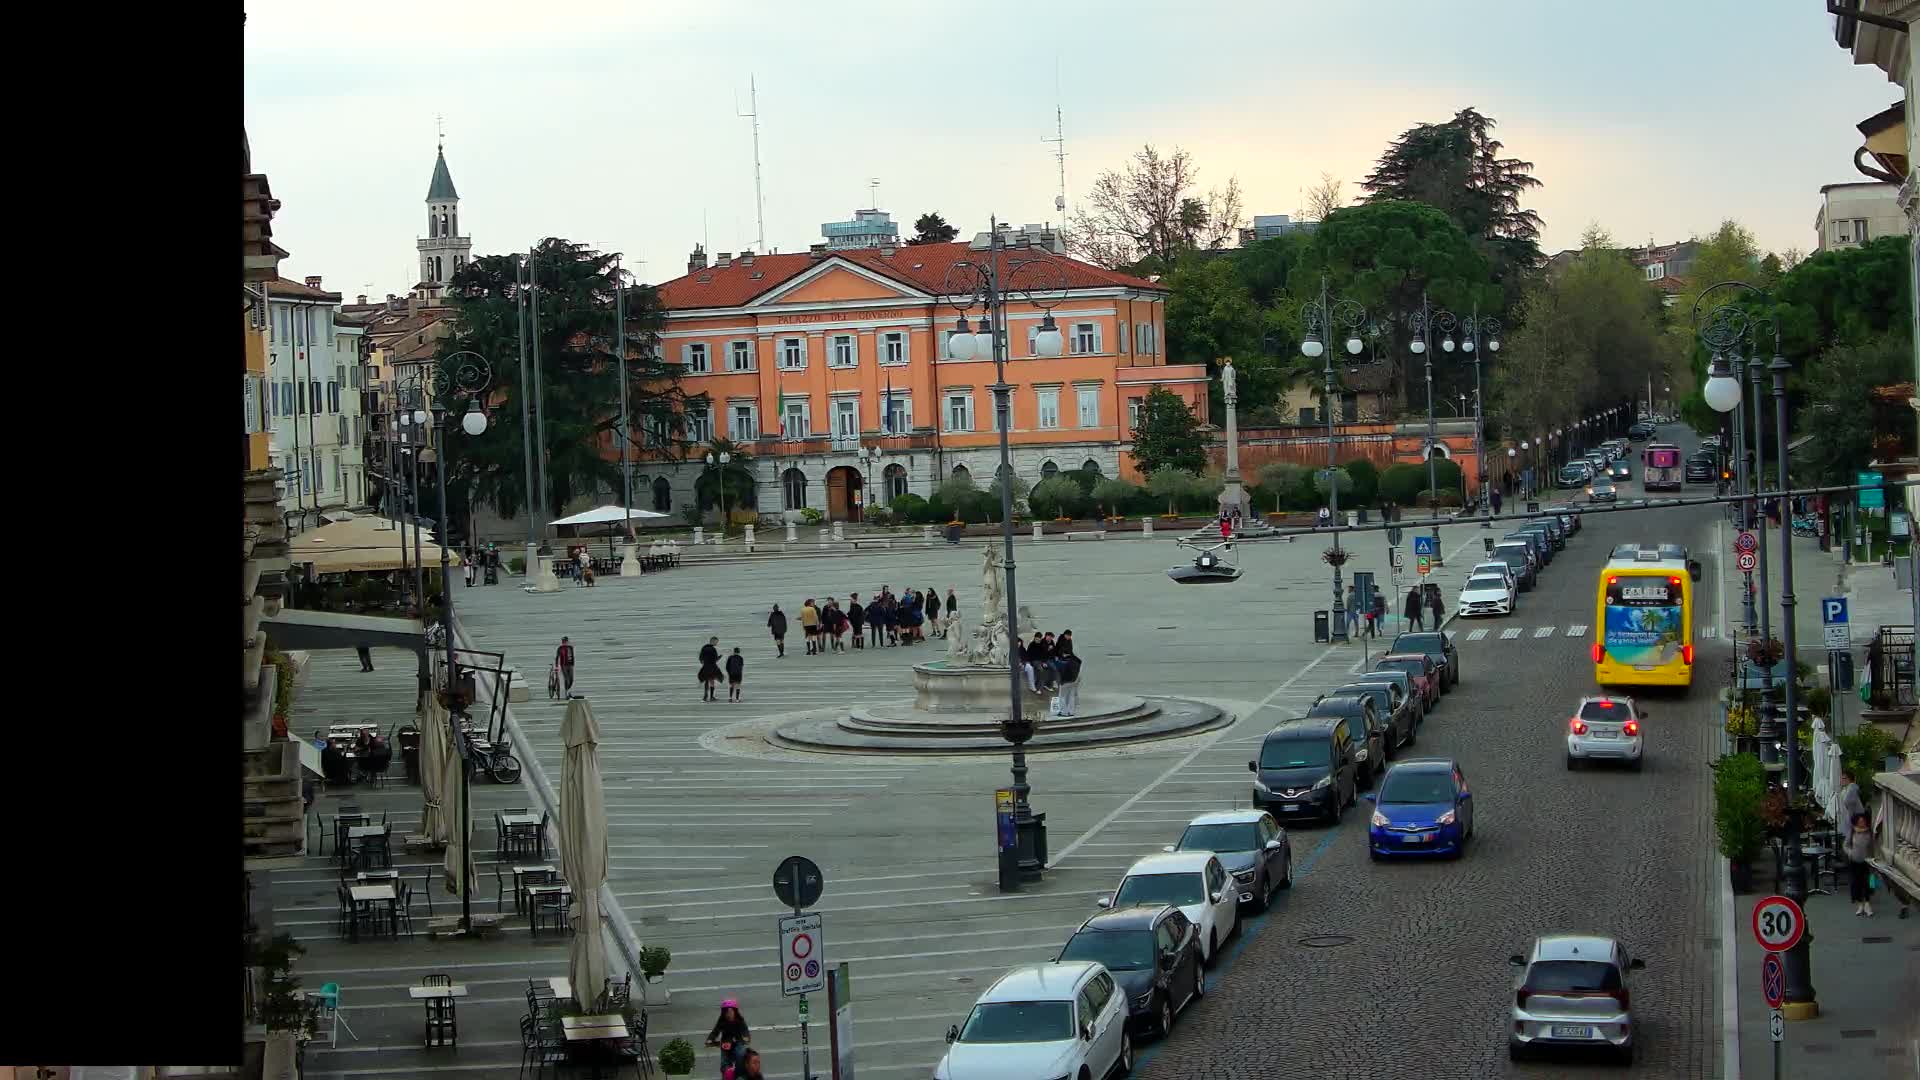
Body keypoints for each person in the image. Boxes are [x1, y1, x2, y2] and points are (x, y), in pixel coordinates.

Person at [705, 1000, 751, 1074]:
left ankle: (740, 1070)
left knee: (740, 1054)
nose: (728, 1015)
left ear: (735, 1012)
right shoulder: (722, 1021)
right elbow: (715, 1031)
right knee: (724, 1061)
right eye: (726, 1012)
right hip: (726, 1041)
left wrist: (746, 1037)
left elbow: (745, 1030)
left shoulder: (739, 1020)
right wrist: (710, 1039)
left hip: (738, 1041)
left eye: (730, 1012)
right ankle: (726, 1072)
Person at [1845, 811, 1875, 916]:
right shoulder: (1852, 832)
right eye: (1860, 821)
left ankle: (1867, 904)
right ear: (1856, 822)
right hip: (1854, 861)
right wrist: (1850, 853)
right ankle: (1860, 905)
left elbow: (1873, 846)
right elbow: (1846, 845)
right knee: (1855, 883)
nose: (1862, 823)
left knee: (1868, 883)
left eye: (1863, 821)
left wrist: (1873, 858)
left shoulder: (1869, 832)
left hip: (1867, 862)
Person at [1056, 643, 1083, 717]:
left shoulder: (1065, 662)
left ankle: (1063, 712)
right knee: (1071, 696)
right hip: (1075, 680)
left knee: (1062, 696)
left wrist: (1061, 682)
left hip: (1067, 681)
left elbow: (1061, 670)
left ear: (1064, 654)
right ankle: (1071, 712)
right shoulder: (1076, 660)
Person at [698, 637, 723, 702]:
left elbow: (700, 658)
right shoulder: (713, 649)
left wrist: (704, 663)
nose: (717, 643)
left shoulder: (704, 648)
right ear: (713, 641)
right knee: (712, 681)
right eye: (716, 642)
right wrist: (720, 657)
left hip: (706, 667)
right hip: (712, 667)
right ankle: (711, 697)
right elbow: (715, 659)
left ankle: (705, 697)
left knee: (707, 681)